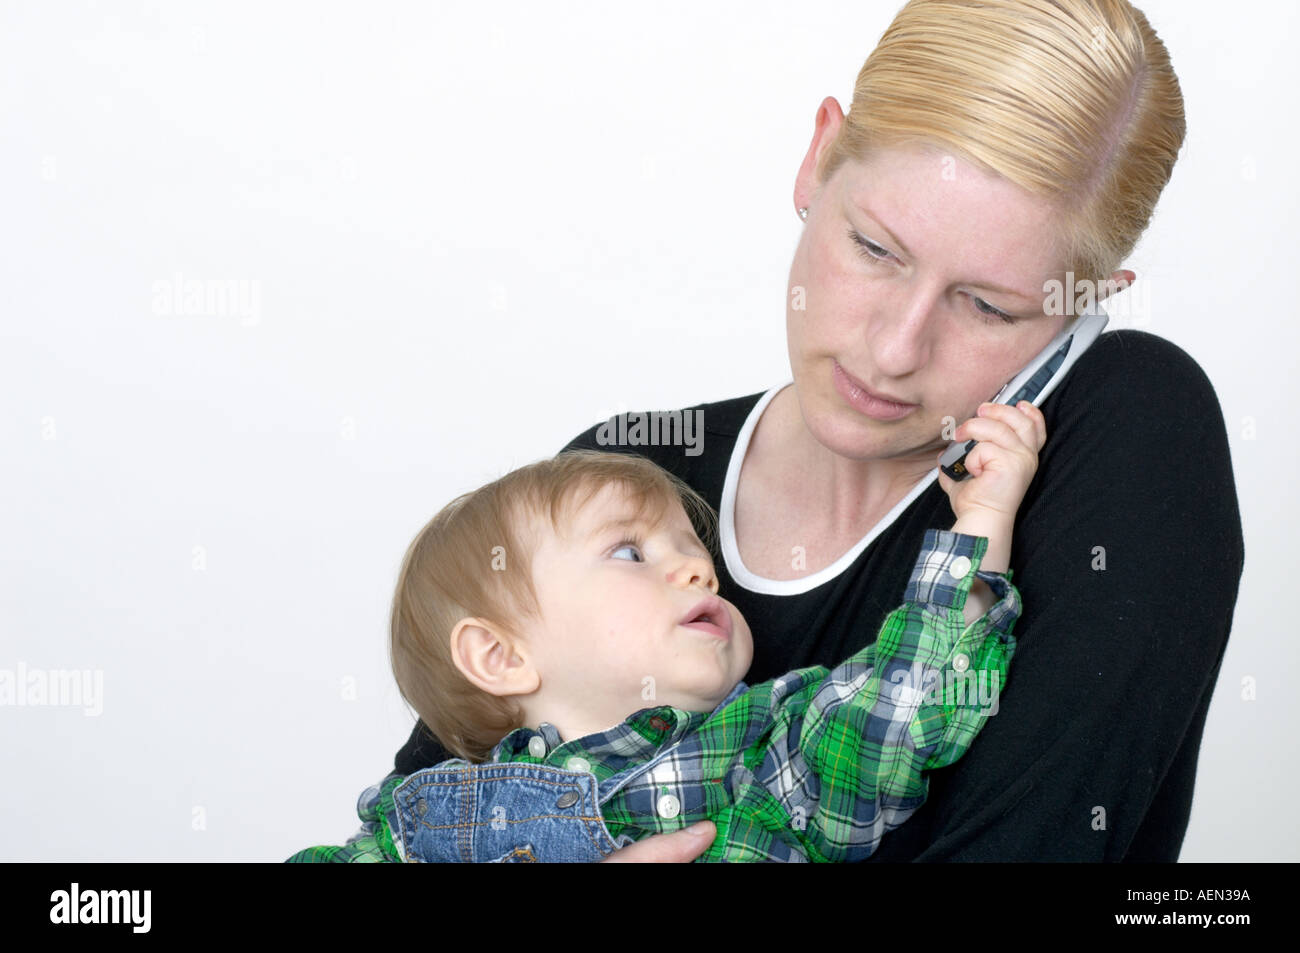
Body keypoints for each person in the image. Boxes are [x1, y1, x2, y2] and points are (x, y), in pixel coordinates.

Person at [359, 0, 1244, 862]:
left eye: (986, 305)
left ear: (1079, 308)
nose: (894, 350)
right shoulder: (619, 482)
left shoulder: (1127, 432)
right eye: (875, 249)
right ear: (819, 156)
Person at [287, 396, 1040, 860]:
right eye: (628, 551)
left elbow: (903, 707)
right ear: (500, 653)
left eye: (693, 549)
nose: (698, 571)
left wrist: (979, 520)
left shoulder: (760, 748)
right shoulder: (432, 819)